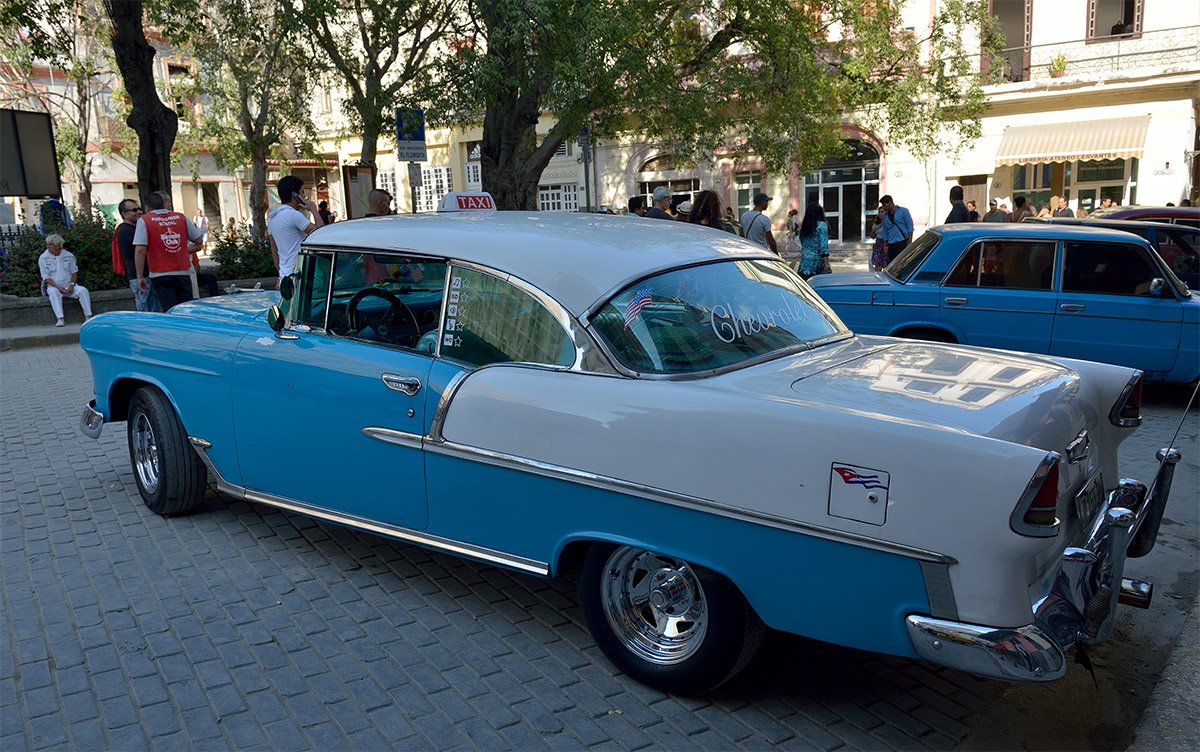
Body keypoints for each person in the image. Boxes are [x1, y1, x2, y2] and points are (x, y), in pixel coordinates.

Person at [134, 190, 206, 312]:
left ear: (147, 207)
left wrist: (139, 276)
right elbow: (199, 240)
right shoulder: (181, 217)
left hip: (159, 273)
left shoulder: (144, 220)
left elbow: (140, 249)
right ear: (164, 204)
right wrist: (181, 250)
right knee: (185, 310)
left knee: (170, 311)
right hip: (183, 272)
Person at [267, 175, 324, 285]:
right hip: (300, 275)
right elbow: (321, 235)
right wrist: (314, 210)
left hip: (285, 274)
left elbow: (274, 249)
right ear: (295, 194)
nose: (304, 196)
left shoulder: (272, 217)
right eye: (302, 192)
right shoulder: (293, 215)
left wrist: (280, 273)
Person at [112, 198, 158, 312]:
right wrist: (140, 277)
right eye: (134, 210)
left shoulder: (134, 228)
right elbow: (141, 250)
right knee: (147, 309)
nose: (138, 212)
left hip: (142, 275)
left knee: (150, 307)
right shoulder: (126, 231)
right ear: (124, 214)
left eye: (139, 209)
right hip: (140, 276)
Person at [39, 233, 93, 326]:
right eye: (47, 244)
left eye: (51, 244)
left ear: (58, 246)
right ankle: (60, 318)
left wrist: (72, 285)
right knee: (53, 292)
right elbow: (46, 277)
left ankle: (88, 316)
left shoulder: (69, 256)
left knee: (83, 290)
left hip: (69, 285)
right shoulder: (43, 258)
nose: (48, 246)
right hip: (54, 286)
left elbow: (74, 272)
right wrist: (58, 287)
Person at [797, 202, 831, 280]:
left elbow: (803, 242)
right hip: (817, 264)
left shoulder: (805, 226)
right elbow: (823, 247)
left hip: (804, 264)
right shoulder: (822, 225)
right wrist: (827, 264)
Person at [878, 195, 913, 263]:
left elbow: (910, 227)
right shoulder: (885, 216)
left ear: (890, 202)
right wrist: (885, 245)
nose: (883, 207)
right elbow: (885, 232)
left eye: (884, 205)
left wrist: (909, 242)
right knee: (892, 263)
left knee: (903, 262)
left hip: (903, 241)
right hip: (892, 244)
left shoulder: (904, 211)